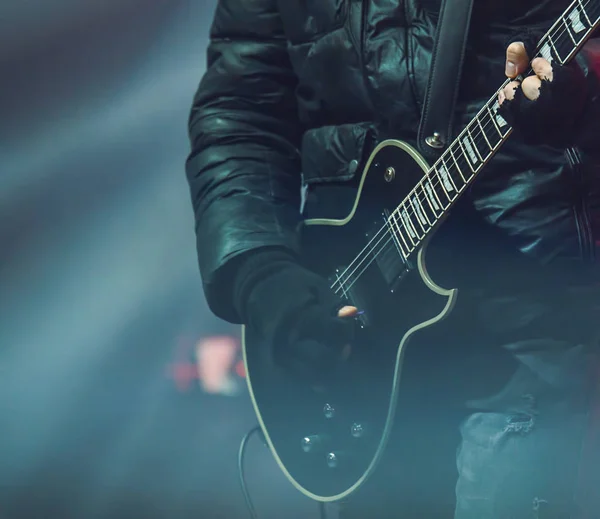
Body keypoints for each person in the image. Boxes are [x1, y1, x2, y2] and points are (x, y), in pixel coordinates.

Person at [185, 1, 600, 517]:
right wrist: (259, 272)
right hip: (360, 327)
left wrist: (584, 87)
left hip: (523, 308)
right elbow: (241, 112)